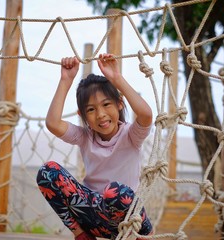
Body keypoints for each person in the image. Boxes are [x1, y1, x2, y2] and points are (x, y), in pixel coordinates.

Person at [37, 53, 153, 240]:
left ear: (120, 104)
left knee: (115, 191)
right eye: (91, 109)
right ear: (82, 114)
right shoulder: (85, 137)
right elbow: (53, 123)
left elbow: (146, 115)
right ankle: (81, 235)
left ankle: (141, 235)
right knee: (47, 171)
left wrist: (116, 78)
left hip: (129, 219)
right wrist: (66, 80)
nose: (100, 114)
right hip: (93, 219)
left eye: (106, 104)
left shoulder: (131, 136)